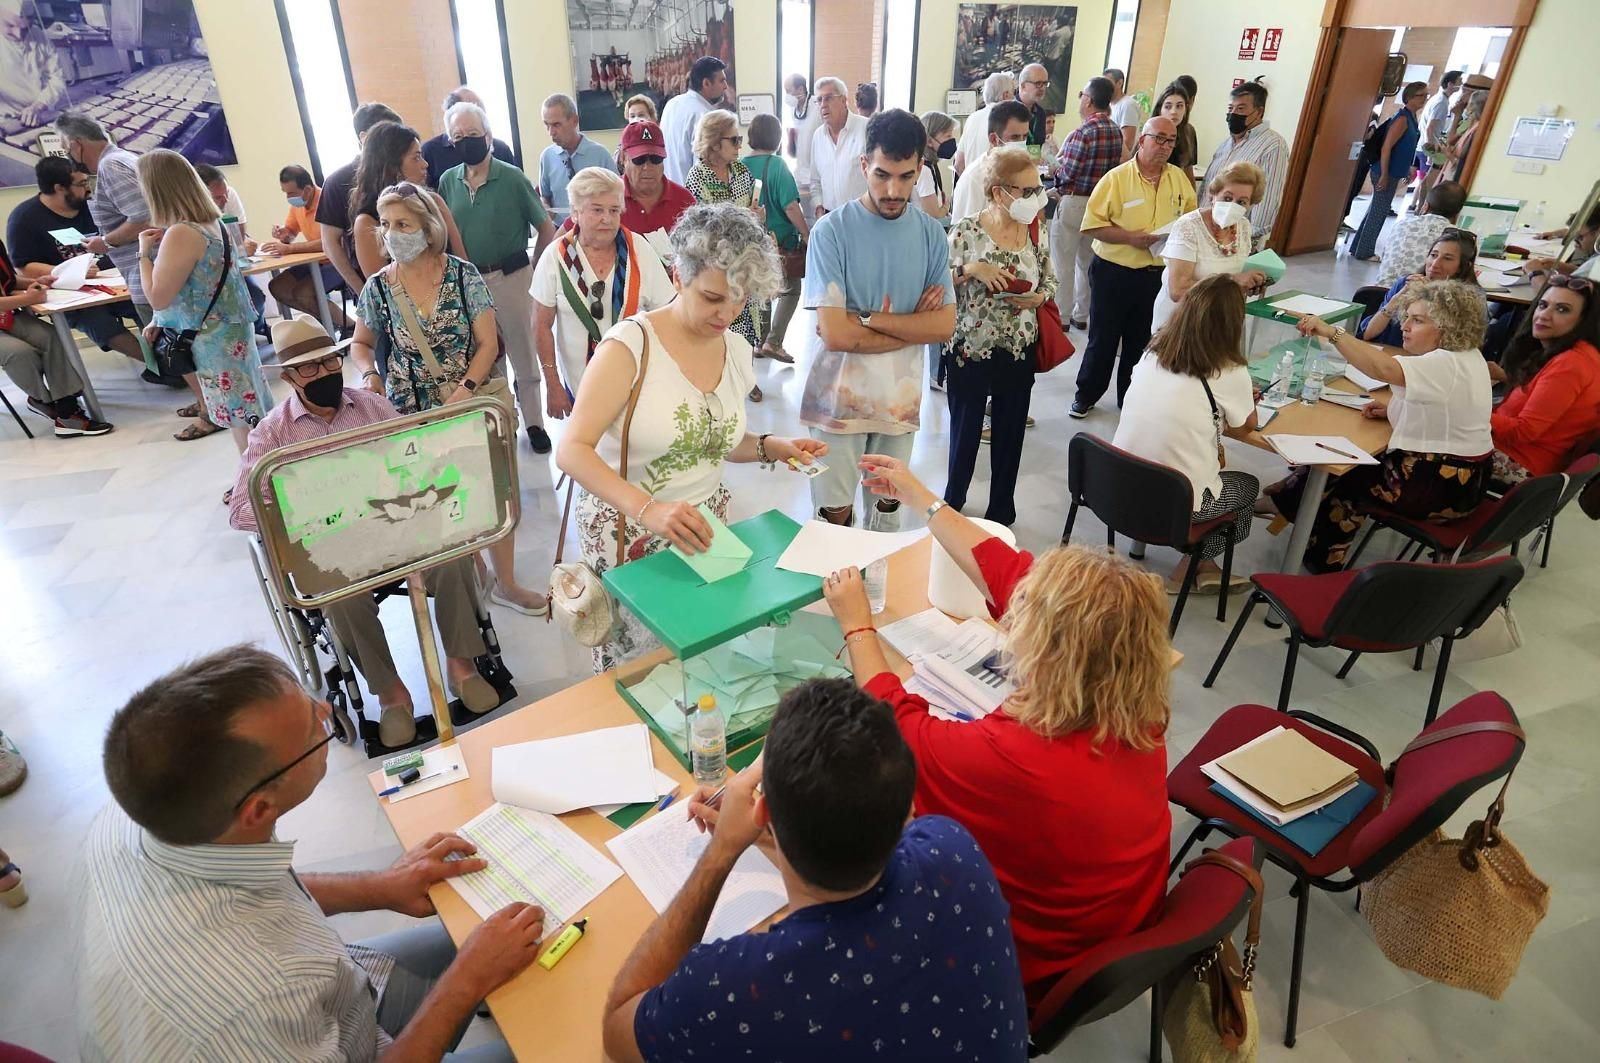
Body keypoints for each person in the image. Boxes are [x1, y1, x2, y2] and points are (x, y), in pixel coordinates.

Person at [78, 646, 544, 1061]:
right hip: (301, 1033)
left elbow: (253, 887)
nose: (325, 710)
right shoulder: (254, 1006)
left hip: (341, 1001)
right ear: (258, 809)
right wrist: (465, 983)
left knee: (475, 929)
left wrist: (380, 887)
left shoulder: (138, 812)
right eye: (312, 729)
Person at [819, 455, 1171, 1000]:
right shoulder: (1137, 702)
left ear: (1048, 650)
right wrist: (922, 498)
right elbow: (1006, 570)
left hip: (1028, 968)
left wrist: (857, 624)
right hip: (1120, 929)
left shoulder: (1015, 756)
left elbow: (892, 724)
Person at [599, 679, 1030, 1062]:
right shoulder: (955, 850)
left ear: (759, 809)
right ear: (906, 808)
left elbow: (618, 1032)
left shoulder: (735, 987)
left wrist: (723, 850)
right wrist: (781, 830)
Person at [555, 203, 822, 672]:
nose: (728, 313)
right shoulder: (629, 347)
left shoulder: (737, 349)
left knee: (700, 657)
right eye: (713, 297)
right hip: (628, 531)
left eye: (741, 300)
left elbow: (711, 439)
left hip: (703, 529)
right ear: (678, 275)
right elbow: (572, 451)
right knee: (639, 669)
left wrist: (767, 447)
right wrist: (649, 510)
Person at [229, 318, 502, 746]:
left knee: (451, 557)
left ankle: (462, 665)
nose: (323, 374)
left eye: (329, 361)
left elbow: (417, 459)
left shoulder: (372, 407)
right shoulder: (273, 433)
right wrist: (294, 501)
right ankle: (392, 695)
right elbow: (241, 511)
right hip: (335, 544)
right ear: (288, 377)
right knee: (339, 595)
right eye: (308, 369)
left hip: (396, 525)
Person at [349, 181, 546, 617]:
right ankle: (474, 573)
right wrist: (369, 374)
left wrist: (463, 392)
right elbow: (361, 343)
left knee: (494, 491)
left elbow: (488, 344)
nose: (392, 232)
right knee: (438, 495)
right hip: (410, 410)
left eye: (403, 223)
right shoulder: (380, 287)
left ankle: (507, 582)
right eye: (385, 224)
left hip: (469, 400)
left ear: (427, 227)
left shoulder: (462, 275)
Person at [1269, 280, 1494, 572]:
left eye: (1418, 320)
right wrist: (1392, 408)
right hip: (1467, 481)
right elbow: (1441, 408)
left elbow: (1382, 368)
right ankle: (1283, 503)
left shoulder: (1445, 363)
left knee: (1344, 474)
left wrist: (1332, 332)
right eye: (1407, 317)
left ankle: (1318, 565)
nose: (1405, 326)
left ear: (1448, 326)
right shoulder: (1467, 358)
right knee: (1345, 460)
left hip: (1439, 486)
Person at [802, 109, 956, 529]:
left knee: (887, 515)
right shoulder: (830, 232)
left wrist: (866, 319)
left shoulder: (930, 234)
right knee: (834, 517)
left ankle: (875, 594)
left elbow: (943, 327)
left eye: (906, 177)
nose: (893, 189)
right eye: (882, 174)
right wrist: (912, 327)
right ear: (864, 165)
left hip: (898, 403)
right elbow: (834, 334)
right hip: (838, 401)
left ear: (920, 169)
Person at [1116, 275, 1260, 591]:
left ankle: (1203, 565)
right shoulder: (1230, 371)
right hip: (1175, 503)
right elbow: (1245, 425)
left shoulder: (1153, 351)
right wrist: (1247, 396)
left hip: (1117, 486)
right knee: (1248, 487)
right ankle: (1193, 565)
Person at [438, 99, 558, 454]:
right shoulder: (448, 181)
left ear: (488, 136)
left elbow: (546, 227)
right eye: (458, 136)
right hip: (471, 284)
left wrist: (534, 272)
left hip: (512, 276)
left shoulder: (511, 177)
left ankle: (535, 422)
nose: (465, 141)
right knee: (488, 356)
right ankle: (504, 422)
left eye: (472, 134)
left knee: (522, 350)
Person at [943, 145, 1055, 527]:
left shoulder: (1035, 232)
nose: (1034, 198)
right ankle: (952, 502)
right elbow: (939, 282)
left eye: (1037, 189)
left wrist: (1039, 295)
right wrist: (972, 268)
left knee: (1010, 434)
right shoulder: (967, 230)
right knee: (965, 432)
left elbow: (1049, 278)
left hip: (1018, 346)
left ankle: (1001, 510)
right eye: (1026, 191)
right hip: (970, 348)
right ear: (998, 192)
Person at [136, 149, 266, 448]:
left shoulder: (181, 233)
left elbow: (158, 296)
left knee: (239, 412)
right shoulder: (214, 223)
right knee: (245, 409)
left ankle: (258, 481)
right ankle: (255, 475)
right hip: (230, 328)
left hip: (212, 336)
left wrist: (143, 253)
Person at [533, 167, 676, 436]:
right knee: (591, 460)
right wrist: (552, 384)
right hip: (581, 386)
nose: (607, 219)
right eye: (597, 210)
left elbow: (669, 313)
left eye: (613, 210)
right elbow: (541, 324)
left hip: (635, 384)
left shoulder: (639, 250)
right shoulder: (555, 257)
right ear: (575, 212)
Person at [1073, 115, 1197, 417]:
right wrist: (1130, 238)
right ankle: (1086, 395)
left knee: (1141, 341)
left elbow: (1191, 220)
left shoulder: (1179, 179)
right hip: (1114, 272)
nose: (1165, 146)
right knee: (1103, 338)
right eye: (1159, 138)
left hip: (1156, 274)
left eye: (1171, 140)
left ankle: (1129, 398)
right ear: (1142, 140)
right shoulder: (1116, 178)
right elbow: (1091, 226)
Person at [5, 155, 157, 380]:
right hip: (72, 293)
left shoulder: (93, 206)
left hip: (117, 280)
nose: (88, 189)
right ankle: (158, 366)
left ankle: (169, 358)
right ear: (59, 188)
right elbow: (24, 268)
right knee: (96, 320)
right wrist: (72, 270)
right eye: (81, 184)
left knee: (147, 304)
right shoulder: (24, 218)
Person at [1490, 275, 1600, 486]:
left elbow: (1523, 431)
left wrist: (1468, 411)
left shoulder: (1571, 364)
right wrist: (1506, 377)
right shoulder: (1579, 355)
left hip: (1521, 464)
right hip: (1527, 457)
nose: (1543, 315)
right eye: (1543, 305)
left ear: (1584, 321)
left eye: (1562, 309)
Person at [0, 236, 113, 436]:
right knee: (19, 353)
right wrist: (28, 298)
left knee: (50, 336)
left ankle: (67, 410)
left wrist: (35, 282)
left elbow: (8, 281)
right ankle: (42, 401)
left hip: (6, 316)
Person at [54, 113, 154, 327]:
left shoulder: (111, 166)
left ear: (76, 145)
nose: (68, 156)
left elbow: (144, 218)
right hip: (153, 273)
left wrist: (106, 242)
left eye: (66, 150)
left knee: (167, 354)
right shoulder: (126, 158)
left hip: (150, 276)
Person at [1151, 161, 1269, 333]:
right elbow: (1178, 290)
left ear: (1250, 205)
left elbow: (1237, 276)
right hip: (1181, 322)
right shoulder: (1189, 226)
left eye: (1241, 202)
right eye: (1227, 198)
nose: (1232, 206)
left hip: (1219, 319)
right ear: (1213, 195)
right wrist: (1233, 281)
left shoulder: (1243, 226)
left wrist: (1249, 284)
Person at [350, 121, 467, 280]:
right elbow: (381, 292)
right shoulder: (367, 223)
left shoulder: (434, 202)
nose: (425, 164)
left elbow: (464, 265)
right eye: (416, 158)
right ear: (392, 166)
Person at [1051, 76, 1122, 332]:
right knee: (1087, 263)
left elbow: (1068, 172)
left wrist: (1054, 170)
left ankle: (1061, 318)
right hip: (1100, 205)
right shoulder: (1116, 131)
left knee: (1063, 263)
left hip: (1074, 201)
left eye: (1082, 95)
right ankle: (1082, 315)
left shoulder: (1083, 132)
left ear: (1089, 100)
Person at [316, 101, 403, 294]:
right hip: (370, 279)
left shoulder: (400, 172)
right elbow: (330, 243)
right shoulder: (337, 182)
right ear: (364, 138)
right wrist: (361, 289)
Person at [255, 164, 354, 332]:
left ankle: (349, 327)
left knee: (303, 293)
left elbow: (329, 242)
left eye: (291, 193)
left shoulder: (327, 201)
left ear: (307, 190)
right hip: (316, 262)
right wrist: (283, 234)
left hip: (338, 261)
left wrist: (291, 249)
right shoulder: (298, 206)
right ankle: (324, 325)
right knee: (278, 287)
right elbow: (291, 232)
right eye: (285, 193)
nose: (288, 197)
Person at [744, 112, 808, 364]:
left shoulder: (739, 165)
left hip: (752, 241)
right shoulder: (777, 164)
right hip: (780, 242)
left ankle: (759, 343)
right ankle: (774, 341)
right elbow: (791, 206)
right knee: (791, 290)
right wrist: (805, 233)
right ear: (777, 138)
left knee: (761, 290)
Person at [1198, 81, 1288, 254]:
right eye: (1230, 108)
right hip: (1207, 230)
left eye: (1240, 109)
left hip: (1237, 238)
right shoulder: (1226, 143)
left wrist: (1250, 240)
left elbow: (1268, 199)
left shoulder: (1273, 145)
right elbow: (1208, 187)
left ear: (1259, 111)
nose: (1233, 114)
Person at [1359, 228, 1478, 348]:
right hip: (1386, 355)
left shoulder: (1464, 301)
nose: (1435, 264)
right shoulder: (1405, 284)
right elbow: (1368, 334)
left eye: (1447, 258)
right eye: (1433, 255)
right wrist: (1395, 300)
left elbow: (1453, 350)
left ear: (1462, 267)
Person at [1351, 81, 1428, 261]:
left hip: (1394, 171)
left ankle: (1358, 248)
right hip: (1385, 172)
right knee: (1379, 212)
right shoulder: (1402, 118)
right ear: (1409, 97)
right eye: (1420, 95)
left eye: (1426, 95)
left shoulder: (1411, 117)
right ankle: (1365, 251)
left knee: (1375, 210)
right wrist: (1384, 175)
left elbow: (1407, 146)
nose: (1424, 99)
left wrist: (1410, 167)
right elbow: (1387, 147)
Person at [538, 93, 617, 226]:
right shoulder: (547, 157)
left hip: (596, 230)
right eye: (547, 125)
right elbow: (545, 196)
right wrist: (545, 207)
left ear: (574, 121)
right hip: (560, 232)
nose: (551, 132)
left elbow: (617, 197)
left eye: (556, 125)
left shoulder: (600, 155)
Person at [617, 119, 695, 249]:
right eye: (639, 159)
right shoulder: (607, 198)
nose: (647, 167)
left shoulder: (685, 201)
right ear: (623, 159)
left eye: (656, 159)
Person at [949, 100, 1030, 224]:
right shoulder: (974, 179)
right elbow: (962, 235)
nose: (1021, 143)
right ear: (994, 139)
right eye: (1014, 137)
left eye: (1025, 137)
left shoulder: (1022, 169)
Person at [1376, 179, 1467, 287]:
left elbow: (1385, 256)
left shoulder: (1401, 224)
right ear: (1457, 213)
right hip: (1419, 298)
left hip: (1378, 295)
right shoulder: (1456, 237)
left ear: (1425, 206)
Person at [419, 86, 514, 188]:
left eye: (481, 109)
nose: (480, 115)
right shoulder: (430, 152)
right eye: (472, 108)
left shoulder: (501, 149)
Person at [659, 56, 728, 186]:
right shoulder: (705, 116)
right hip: (694, 199)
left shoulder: (672, 104)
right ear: (706, 83)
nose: (725, 86)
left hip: (669, 193)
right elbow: (704, 169)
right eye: (722, 81)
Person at [808, 76, 869, 218]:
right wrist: (818, 204)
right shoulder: (818, 136)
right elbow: (815, 180)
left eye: (828, 98)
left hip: (862, 215)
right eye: (819, 100)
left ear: (843, 100)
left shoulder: (866, 129)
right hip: (830, 216)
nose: (823, 105)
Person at [0, 0, 64, 123]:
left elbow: (57, 79)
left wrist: (38, 106)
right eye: (10, 25)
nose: (19, 35)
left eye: (25, 28)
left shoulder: (39, 35)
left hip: (40, 113)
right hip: (4, 118)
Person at [954, 71, 1017, 176]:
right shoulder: (1009, 120)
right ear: (1006, 95)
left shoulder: (972, 118)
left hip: (971, 185)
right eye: (1013, 93)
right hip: (997, 187)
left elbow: (959, 164)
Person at [1416, 71, 1464, 202]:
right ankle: (1420, 208)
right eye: (1459, 82)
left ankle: (1418, 207)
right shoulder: (1441, 102)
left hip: (1427, 146)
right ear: (1450, 84)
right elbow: (1430, 128)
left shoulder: (1439, 99)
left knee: (1424, 181)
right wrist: (1431, 153)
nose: (1461, 86)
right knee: (1427, 182)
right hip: (1429, 148)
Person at [782, 74, 823, 218]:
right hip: (801, 172)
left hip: (817, 173)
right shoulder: (793, 111)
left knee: (819, 215)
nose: (787, 95)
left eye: (788, 90)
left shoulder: (817, 106)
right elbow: (796, 148)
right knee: (806, 217)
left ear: (800, 89)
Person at [1153, 81, 1198, 175]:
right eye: (1168, 107)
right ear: (1159, 110)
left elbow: (1188, 172)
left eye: (1179, 106)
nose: (1174, 112)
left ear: (1186, 109)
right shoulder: (1150, 134)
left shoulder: (1189, 132)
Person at [1104, 68, 1143, 161]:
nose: (1105, 86)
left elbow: (1128, 143)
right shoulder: (1108, 105)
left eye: (1108, 82)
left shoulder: (1128, 105)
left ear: (1119, 83)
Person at [1016, 63, 1052, 157]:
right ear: (1023, 86)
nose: (1043, 88)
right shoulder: (1009, 112)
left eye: (1045, 83)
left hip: (1030, 167)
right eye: (1038, 84)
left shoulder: (1040, 113)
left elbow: (1037, 146)